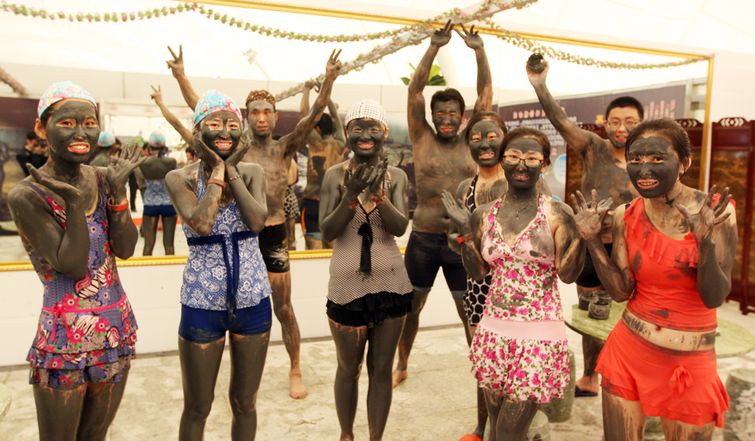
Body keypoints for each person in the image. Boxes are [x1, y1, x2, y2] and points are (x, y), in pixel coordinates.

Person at [166, 45, 342, 398]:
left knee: (283, 306)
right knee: (234, 304)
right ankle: (237, 361)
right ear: (246, 116)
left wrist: (329, 82)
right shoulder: (233, 143)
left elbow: (314, 116)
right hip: (234, 234)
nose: (261, 119)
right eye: (256, 112)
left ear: (276, 117)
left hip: (272, 231)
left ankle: (295, 367)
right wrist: (180, 76)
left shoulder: (284, 147)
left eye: (268, 112)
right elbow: (201, 107)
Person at [573, 118, 736, 441]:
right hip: (630, 351)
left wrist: (705, 244)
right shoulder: (625, 215)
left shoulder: (716, 212)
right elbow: (621, 293)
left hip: (692, 362)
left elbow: (714, 297)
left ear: (684, 162)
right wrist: (592, 241)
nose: (644, 169)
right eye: (635, 159)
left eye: (658, 159)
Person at [7, 81, 143, 440]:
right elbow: (72, 266)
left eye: (89, 122)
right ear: (41, 127)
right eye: (66, 123)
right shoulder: (27, 194)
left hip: (114, 329)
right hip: (64, 339)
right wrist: (72, 204)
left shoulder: (101, 178)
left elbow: (126, 248)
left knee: (95, 437)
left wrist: (116, 196)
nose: (81, 132)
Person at [443, 126, 585, 441]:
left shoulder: (557, 214)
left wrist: (581, 238)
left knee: (506, 433)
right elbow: (478, 273)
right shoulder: (483, 214)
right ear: (503, 160)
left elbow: (568, 274)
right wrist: (467, 232)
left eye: (531, 158)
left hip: (538, 337)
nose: (521, 165)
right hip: (493, 332)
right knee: (500, 430)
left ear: (544, 165)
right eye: (514, 157)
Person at [526, 54, 644, 397]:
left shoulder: (647, 159)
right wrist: (540, 85)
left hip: (631, 249)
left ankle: (625, 376)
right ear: (604, 123)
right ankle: (591, 375)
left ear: (642, 123)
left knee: (631, 316)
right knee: (592, 316)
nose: (622, 127)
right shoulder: (594, 147)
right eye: (616, 121)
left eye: (630, 121)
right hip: (592, 247)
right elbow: (561, 122)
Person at [166, 90, 272, 441]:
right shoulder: (178, 178)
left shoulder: (253, 171)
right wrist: (216, 171)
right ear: (198, 132)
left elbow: (257, 222)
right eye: (214, 124)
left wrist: (232, 171)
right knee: (197, 407)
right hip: (201, 302)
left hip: (253, 300)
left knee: (245, 402)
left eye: (231, 124)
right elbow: (202, 223)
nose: (224, 131)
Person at [395, 20, 493, 390]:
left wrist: (479, 52)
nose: (447, 118)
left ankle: (482, 372)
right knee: (411, 310)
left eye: (454, 113)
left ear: (462, 117)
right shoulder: (422, 137)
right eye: (441, 113)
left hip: (462, 242)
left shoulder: (472, 140)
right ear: (433, 117)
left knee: (471, 312)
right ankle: (402, 364)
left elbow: (485, 95)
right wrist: (434, 47)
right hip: (422, 239)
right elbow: (415, 93)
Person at [319, 99, 412, 441]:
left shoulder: (397, 177)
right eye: (357, 128)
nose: (365, 135)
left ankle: (376, 437)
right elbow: (327, 231)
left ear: (384, 133)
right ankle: (346, 434)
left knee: (381, 370)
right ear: (347, 133)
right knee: (348, 369)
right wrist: (351, 195)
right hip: (346, 287)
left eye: (373, 128)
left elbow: (400, 228)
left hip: (392, 285)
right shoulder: (334, 176)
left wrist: (380, 198)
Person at [446, 111, 509, 441]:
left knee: (514, 362)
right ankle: (482, 426)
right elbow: (455, 241)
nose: (484, 144)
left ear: (504, 137)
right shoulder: (464, 187)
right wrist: (457, 238)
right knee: (485, 365)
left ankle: (508, 428)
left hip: (515, 287)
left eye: (491, 136)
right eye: (475, 138)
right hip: (477, 286)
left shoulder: (519, 181)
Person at [300, 81, 346, 249]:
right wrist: (327, 97)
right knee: (332, 252)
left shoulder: (315, 142)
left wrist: (306, 89)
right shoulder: (340, 144)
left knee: (314, 253)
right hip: (334, 204)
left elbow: (305, 115)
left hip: (313, 203)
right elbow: (335, 117)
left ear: (317, 129)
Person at [136, 131, 177, 256]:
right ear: (164, 146)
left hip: (150, 203)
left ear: (150, 146)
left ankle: (145, 272)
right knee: (169, 245)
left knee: (148, 245)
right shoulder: (171, 161)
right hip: (168, 203)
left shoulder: (143, 163)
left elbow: (141, 183)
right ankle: (170, 272)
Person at [284, 158, 300, 251]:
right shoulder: (293, 161)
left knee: (284, 231)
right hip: (291, 195)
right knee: (291, 232)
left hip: (282, 195)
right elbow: (296, 179)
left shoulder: (280, 160)